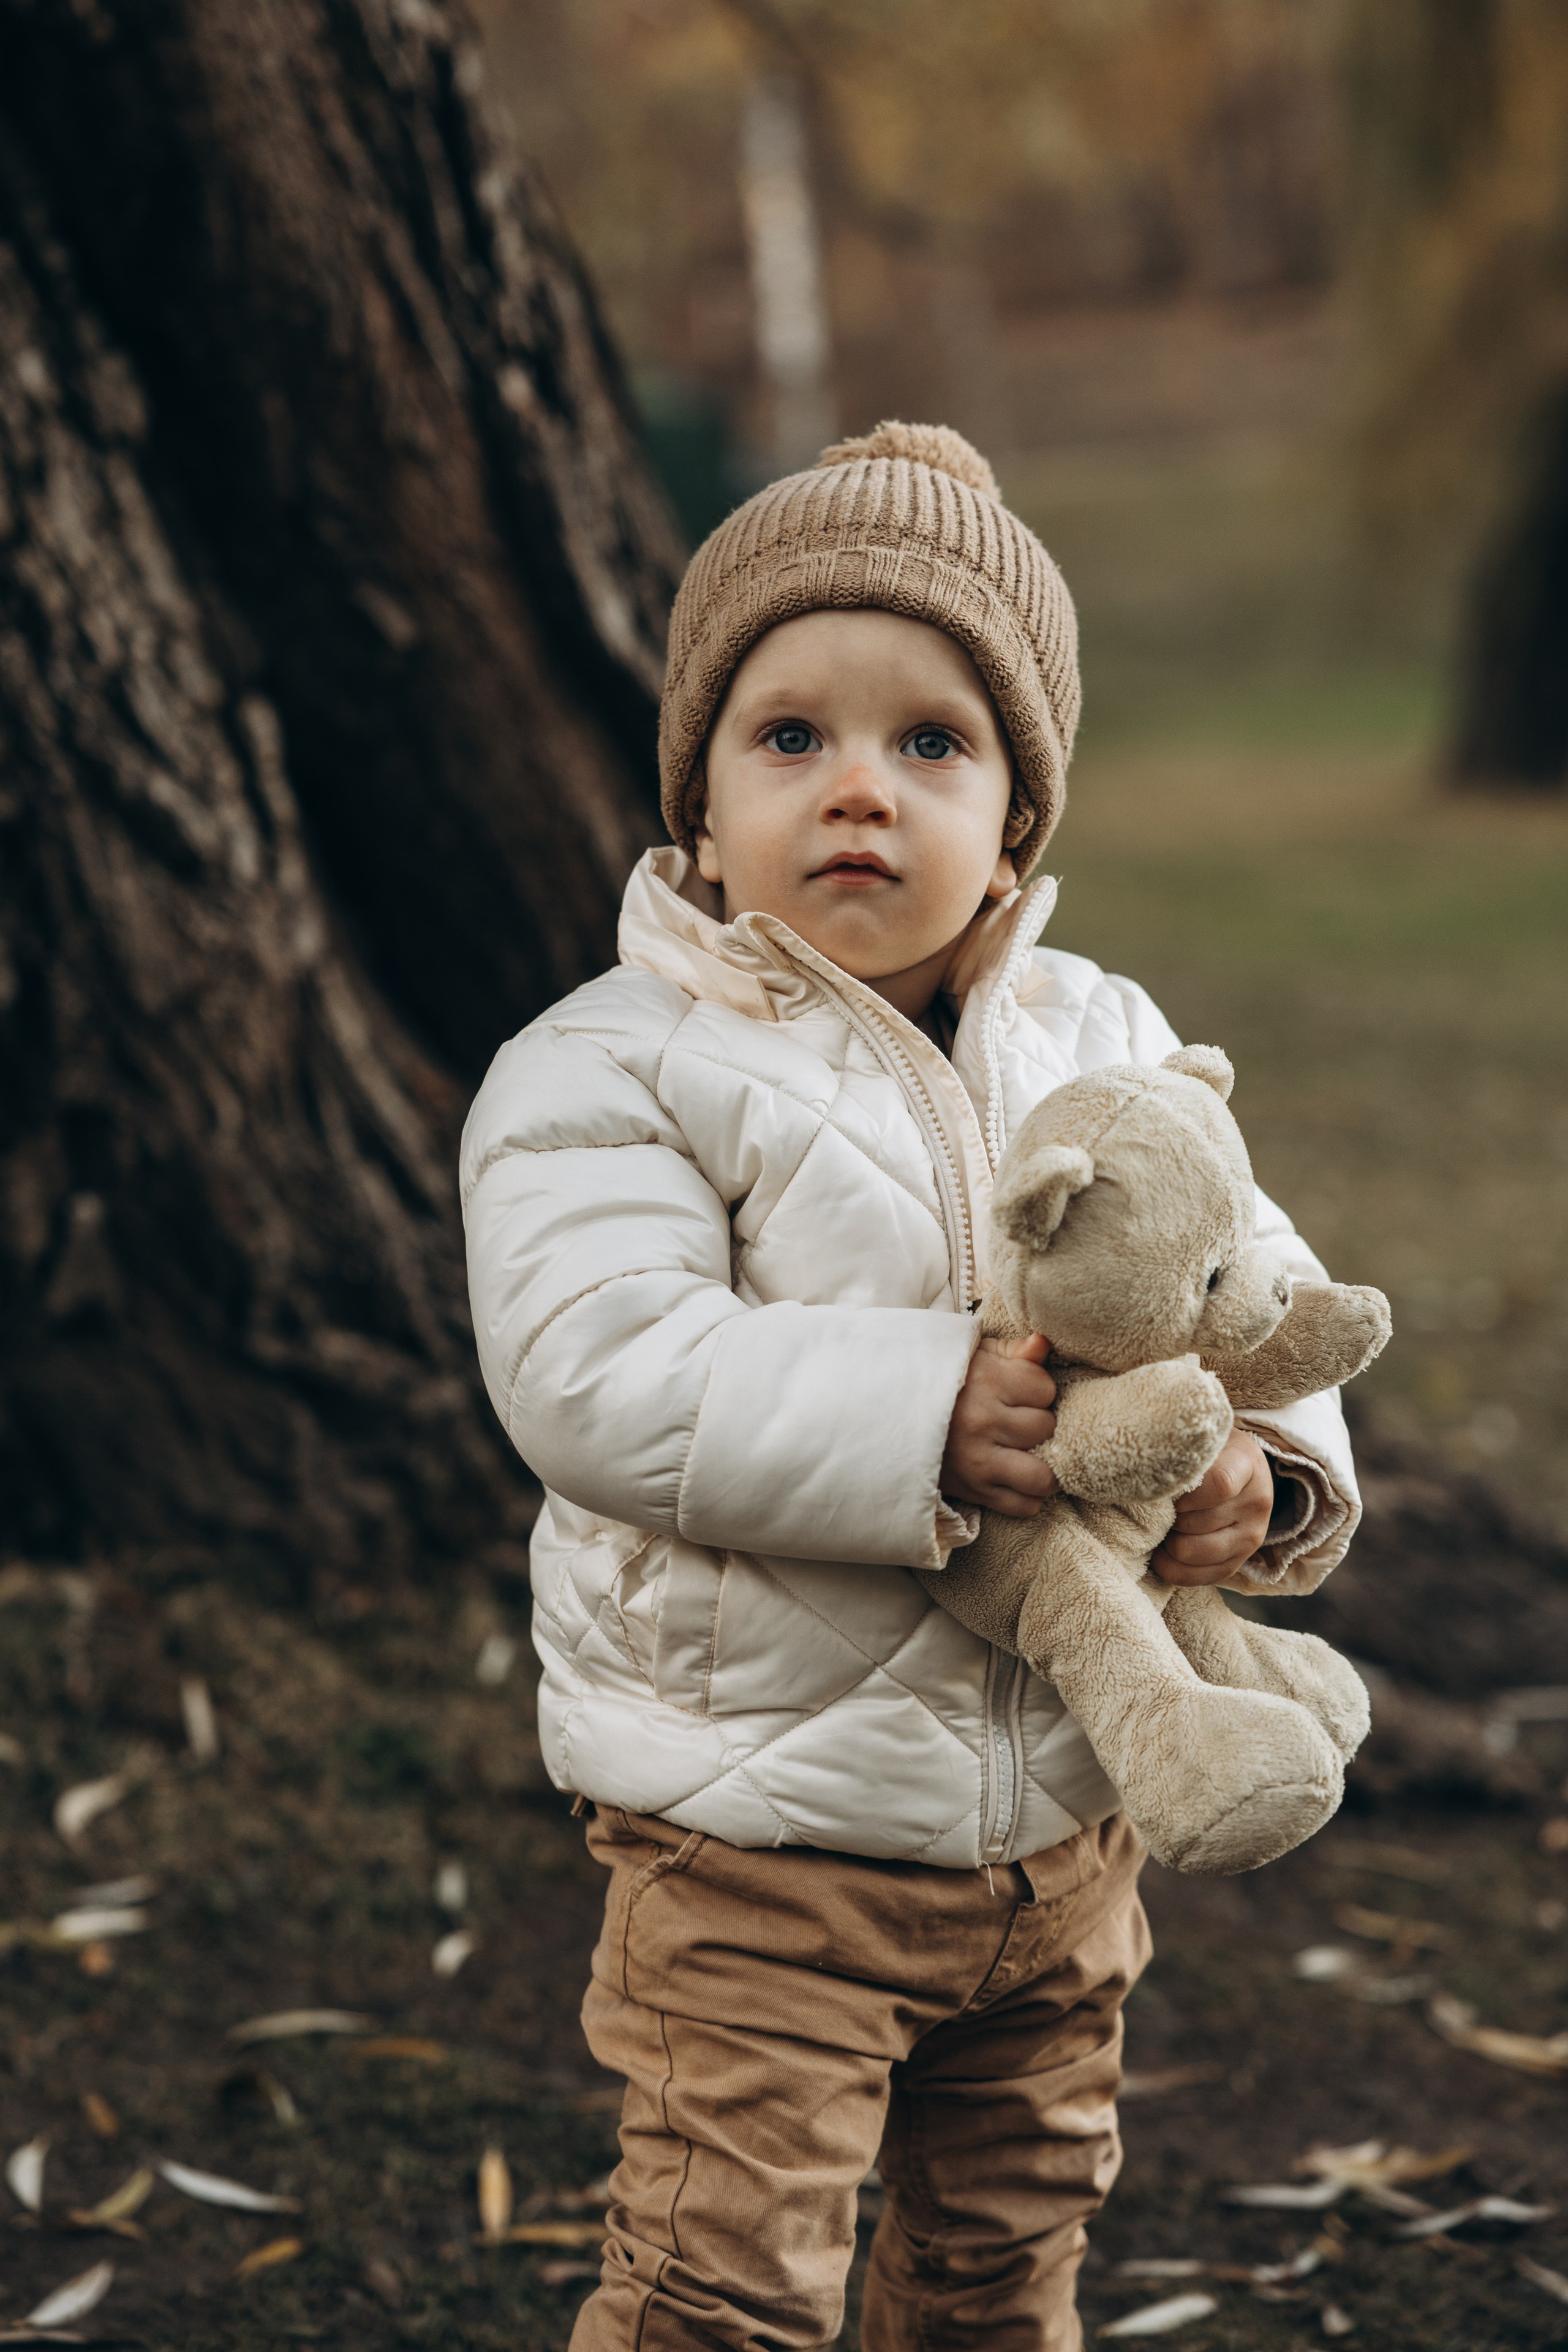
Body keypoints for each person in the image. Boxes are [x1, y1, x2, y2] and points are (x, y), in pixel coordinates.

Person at [460, 423, 1359, 2351]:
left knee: (1002, 2263)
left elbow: (1245, 1280)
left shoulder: (1107, 1038)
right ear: (695, 806)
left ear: (1018, 820)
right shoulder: (610, 1067)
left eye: (930, 745)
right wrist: (922, 1410)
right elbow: (596, 1368)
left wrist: (1264, 1482)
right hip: (756, 1833)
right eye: (790, 738)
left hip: (1066, 1820)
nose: (859, 787)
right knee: (725, 2276)